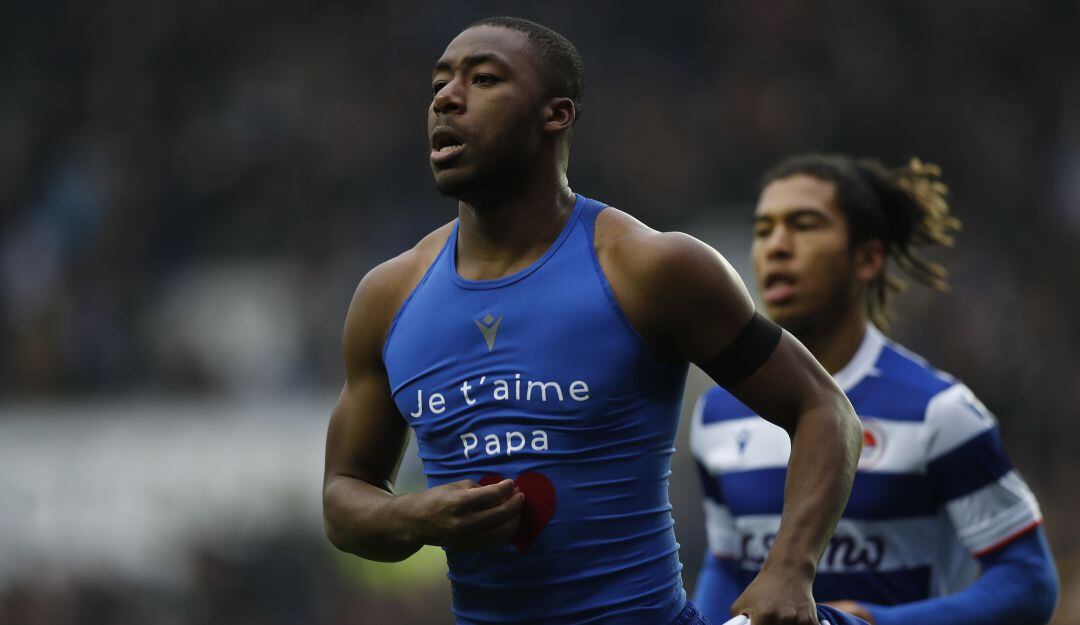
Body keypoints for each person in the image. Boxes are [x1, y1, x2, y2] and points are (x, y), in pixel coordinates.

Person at [322, 18, 863, 625]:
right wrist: (413, 517)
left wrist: (790, 570)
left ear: (556, 115)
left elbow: (824, 410)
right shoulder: (389, 297)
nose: (447, 97)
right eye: (440, 82)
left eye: (484, 79)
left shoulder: (649, 268)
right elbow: (344, 494)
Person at [691, 154, 1060, 625]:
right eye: (763, 230)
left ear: (867, 258)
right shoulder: (718, 413)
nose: (776, 246)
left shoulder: (938, 411)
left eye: (804, 225)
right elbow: (727, 561)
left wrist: (874, 622)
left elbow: (1030, 580)